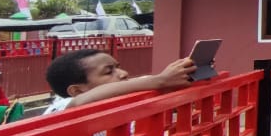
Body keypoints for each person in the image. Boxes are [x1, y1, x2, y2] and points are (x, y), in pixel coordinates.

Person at [43, 49, 196, 113]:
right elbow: (78, 103)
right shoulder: (62, 106)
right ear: (76, 91)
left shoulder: (115, 98)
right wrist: (160, 81)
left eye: (118, 67)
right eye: (109, 71)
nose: (123, 74)